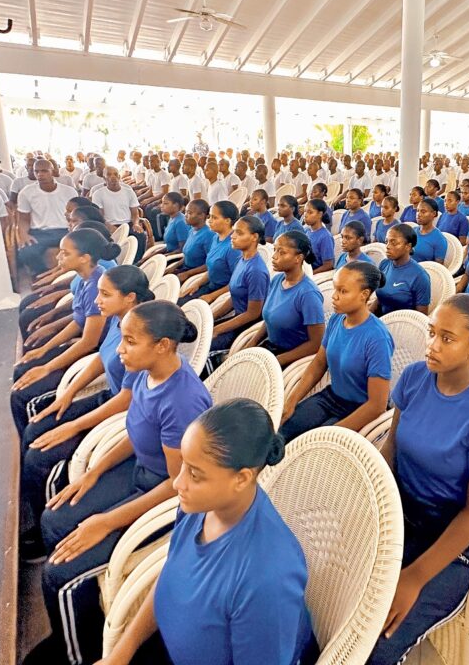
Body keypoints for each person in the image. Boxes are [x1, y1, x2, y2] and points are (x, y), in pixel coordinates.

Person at [28, 301, 212, 665]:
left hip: (165, 497)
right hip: (140, 474)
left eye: (129, 341)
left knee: (61, 574)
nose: (120, 349)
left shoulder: (182, 400)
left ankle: (79, 652)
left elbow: (177, 484)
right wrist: (94, 473)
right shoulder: (147, 373)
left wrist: (107, 521)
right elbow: (138, 430)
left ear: (161, 345)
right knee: (55, 518)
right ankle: (76, 622)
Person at [96, 399, 316, 665]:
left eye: (195, 474)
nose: (178, 483)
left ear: (242, 479)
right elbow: (173, 572)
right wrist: (123, 651)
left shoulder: (267, 578)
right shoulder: (200, 508)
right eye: (184, 466)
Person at [367, 296, 469, 665]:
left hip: (454, 537)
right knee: (339, 594)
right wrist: (376, 507)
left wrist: (414, 577)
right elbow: (392, 446)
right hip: (404, 512)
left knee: (376, 642)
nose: (432, 345)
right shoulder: (415, 377)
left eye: (447, 338)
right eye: (431, 333)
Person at [19, 265, 154, 561]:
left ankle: (45, 531)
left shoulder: (140, 337)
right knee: (35, 430)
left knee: (41, 455)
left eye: (105, 294)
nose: (97, 300)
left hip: (120, 413)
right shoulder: (120, 322)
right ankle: (33, 508)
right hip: (111, 399)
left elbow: (128, 399)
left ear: (130, 297)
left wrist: (75, 426)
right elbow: (98, 360)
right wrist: (67, 394)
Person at [10, 229, 119, 437]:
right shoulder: (87, 279)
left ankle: (31, 437)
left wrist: (47, 366)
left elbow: (89, 342)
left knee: (23, 394)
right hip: (93, 348)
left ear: (85, 258)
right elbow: (79, 321)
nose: (58, 257)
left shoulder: (98, 285)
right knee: (24, 367)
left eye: (65, 253)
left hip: (94, 352)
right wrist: (45, 349)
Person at [281, 263, 393, 441]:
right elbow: (318, 363)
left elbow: (377, 405)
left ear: (364, 295)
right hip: (331, 397)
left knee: (312, 446)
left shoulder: (377, 338)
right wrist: (292, 401)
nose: (334, 296)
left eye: (343, 291)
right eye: (335, 289)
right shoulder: (336, 320)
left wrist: (332, 431)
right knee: (281, 433)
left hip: (358, 407)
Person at [244, 231, 326, 367]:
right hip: (269, 349)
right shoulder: (277, 280)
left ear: (298, 258)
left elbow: (316, 343)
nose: (274, 257)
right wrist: (251, 343)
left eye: (282, 253)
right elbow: (270, 319)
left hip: (291, 358)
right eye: (275, 250)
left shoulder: (308, 294)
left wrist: (278, 360)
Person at [209, 215, 271, 353]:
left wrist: (218, 329)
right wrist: (212, 317)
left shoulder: (256, 271)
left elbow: (253, 313)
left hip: (246, 328)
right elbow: (235, 296)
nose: (233, 236)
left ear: (254, 237)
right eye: (234, 231)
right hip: (237, 318)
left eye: (239, 233)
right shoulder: (242, 260)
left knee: (205, 344)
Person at [17, 160, 80, 274]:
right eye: (37, 171)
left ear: (53, 171)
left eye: (44, 171)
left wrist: (76, 231)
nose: (40, 174)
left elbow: (78, 215)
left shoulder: (69, 191)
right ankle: (42, 275)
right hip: (40, 233)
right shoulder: (26, 193)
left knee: (80, 249)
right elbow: (23, 218)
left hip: (66, 231)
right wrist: (24, 234)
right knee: (25, 252)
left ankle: (69, 277)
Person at [179, 200, 242, 304]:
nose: (210, 221)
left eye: (214, 218)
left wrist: (211, 296)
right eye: (210, 217)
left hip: (223, 294)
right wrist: (198, 284)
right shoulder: (216, 238)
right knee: (179, 302)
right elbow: (212, 269)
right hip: (210, 285)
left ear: (227, 220)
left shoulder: (233, 247)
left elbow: (237, 282)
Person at [375, 224, 431, 315]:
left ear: (408, 246)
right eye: (387, 242)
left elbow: (421, 317)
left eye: (394, 243)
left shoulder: (420, 277)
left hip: (403, 325)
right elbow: (380, 299)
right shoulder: (384, 264)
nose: (388, 246)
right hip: (382, 321)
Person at [303, 198, 335, 273]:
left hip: (315, 273)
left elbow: (328, 265)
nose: (305, 215)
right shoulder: (306, 231)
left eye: (310, 212)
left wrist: (309, 274)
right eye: (305, 211)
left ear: (320, 214)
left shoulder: (325, 237)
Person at [413, 197, 449, 263]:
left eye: (423, 212)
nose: (418, 214)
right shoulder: (412, 231)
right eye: (417, 211)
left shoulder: (439, 239)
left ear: (434, 214)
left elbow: (437, 267)